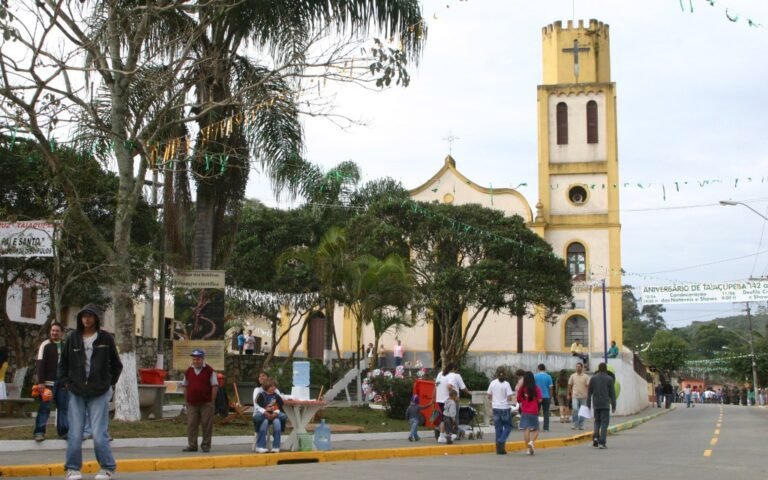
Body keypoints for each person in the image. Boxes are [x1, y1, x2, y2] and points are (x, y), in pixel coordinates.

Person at [58, 304, 122, 480]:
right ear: (80, 319)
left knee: (99, 434)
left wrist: (108, 384)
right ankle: (72, 469)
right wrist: (65, 382)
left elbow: (117, 365)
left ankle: (107, 468)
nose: (86, 319)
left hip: (99, 393)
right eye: (83, 316)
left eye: (90, 316)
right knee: (75, 433)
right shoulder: (72, 338)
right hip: (76, 392)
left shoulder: (105, 338)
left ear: (96, 318)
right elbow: (63, 363)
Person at [34, 322, 68, 442]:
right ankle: (39, 432)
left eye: (57, 331)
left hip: (62, 384)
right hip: (48, 383)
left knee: (64, 408)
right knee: (45, 408)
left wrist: (67, 381)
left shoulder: (65, 346)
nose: (54, 333)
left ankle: (64, 432)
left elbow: (69, 365)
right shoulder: (45, 345)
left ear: (62, 333)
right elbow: (40, 364)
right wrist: (41, 382)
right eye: (53, 330)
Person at [182, 348, 218, 453]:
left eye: (198, 359)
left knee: (206, 424)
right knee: (192, 424)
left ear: (202, 359)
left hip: (206, 403)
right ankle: (192, 445)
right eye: (194, 359)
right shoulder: (188, 371)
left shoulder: (210, 371)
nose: (195, 361)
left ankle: (206, 445)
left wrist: (212, 401)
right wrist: (186, 400)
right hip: (192, 403)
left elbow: (215, 386)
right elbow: (185, 385)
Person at [434, 362, 470, 443]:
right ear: (453, 369)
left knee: (443, 418)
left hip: (439, 399)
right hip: (447, 399)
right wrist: (454, 397)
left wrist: (433, 399)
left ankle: (441, 436)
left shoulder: (440, 374)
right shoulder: (452, 375)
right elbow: (449, 386)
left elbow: (436, 386)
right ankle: (448, 435)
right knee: (449, 418)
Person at [587, 362, 616, 449]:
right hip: (605, 404)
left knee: (597, 421)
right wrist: (614, 406)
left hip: (596, 403)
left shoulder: (593, 379)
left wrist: (588, 404)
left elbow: (589, 392)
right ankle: (602, 442)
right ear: (606, 369)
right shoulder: (609, 379)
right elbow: (612, 394)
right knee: (604, 423)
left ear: (598, 369)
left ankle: (595, 437)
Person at [487, 366, 514, 454]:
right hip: (505, 408)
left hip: (496, 408)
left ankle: (499, 449)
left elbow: (489, 395)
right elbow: (509, 397)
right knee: (508, 426)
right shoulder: (506, 384)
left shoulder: (492, 383)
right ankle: (502, 440)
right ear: (505, 374)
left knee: (498, 429)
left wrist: (494, 399)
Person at [254, 379, 286, 453]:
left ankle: (276, 446)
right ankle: (260, 446)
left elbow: (279, 406)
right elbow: (257, 406)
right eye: (271, 386)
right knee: (264, 421)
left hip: (274, 415)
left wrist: (275, 413)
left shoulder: (276, 396)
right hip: (263, 415)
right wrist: (265, 412)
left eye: (274, 386)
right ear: (266, 387)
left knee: (278, 421)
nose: (273, 388)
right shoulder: (261, 395)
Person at [517, 371, 542, 455]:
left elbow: (518, 399)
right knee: (536, 429)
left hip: (525, 411)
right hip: (533, 411)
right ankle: (531, 442)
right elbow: (540, 399)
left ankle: (527, 449)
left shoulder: (522, 388)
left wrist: (524, 399)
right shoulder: (536, 387)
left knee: (526, 429)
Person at [568, 362, 590, 430]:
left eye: (579, 366)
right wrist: (568, 394)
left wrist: (588, 395)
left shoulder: (586, 376)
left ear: (582, 367)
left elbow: (588, 386)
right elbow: (570, 385)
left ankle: (581, 425)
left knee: (583, 411)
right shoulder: (573, 376)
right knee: (575, 409)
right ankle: (575, 423)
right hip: (575, 395)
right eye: (576, 366)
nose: (577, 368)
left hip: (584, 396)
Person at [534, 364, 554, 432]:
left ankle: (536, 427)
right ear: (544, 369)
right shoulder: (548, 376)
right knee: (546, 412)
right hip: (546, 396)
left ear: (538, 368)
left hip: (537, 397)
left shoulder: (535, 376)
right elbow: (551, 388)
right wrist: (550, 396)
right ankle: (546, 428)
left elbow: (533, 387)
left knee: (536, 412)